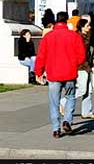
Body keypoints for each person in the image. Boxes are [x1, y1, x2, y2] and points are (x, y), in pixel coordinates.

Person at [34, 11, 86, 139]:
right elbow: (82, 56)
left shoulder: (48, 36)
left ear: (56, 21)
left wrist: (38, 72)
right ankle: (67, 120)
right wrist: (75, 64)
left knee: (54, 102)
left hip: (53, 73)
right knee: (70, 97)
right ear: (67, 21)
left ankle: (56, 129)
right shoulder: (74, 36)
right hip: (69, 72)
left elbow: (41, 56)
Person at [61, 19, 94, 120]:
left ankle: (87, 111)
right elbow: (80, 54)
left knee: (89, 90)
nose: (89, 27)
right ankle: (63, 102)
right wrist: (86, 66)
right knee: (82, 89)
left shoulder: (87, 36)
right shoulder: (79, 38)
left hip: (87, 66)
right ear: (82, 27)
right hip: (81, 67)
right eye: (87, 25)